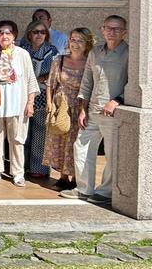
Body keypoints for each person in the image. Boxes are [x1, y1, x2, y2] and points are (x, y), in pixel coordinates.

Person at [60, 16, 128, 204]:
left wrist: (117, 101)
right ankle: (84, 189)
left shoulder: (130, 54)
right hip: (92, 110)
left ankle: (105, 192)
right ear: (102, 30)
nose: (111, 32)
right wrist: (83, 109)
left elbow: (133, 83)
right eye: (108, 28)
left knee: (112, 154)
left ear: (124, 32)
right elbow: (87, 81)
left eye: (116, 29)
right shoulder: (95, 52)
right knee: (81, 147)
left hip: (115, 113)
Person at [0, 20, 40, 187]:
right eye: (0, 33)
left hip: (17, 103)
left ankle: (17, 173)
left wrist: (30, 103)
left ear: (14, 35)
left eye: (8, 33)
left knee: (17, 139)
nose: (4, 36)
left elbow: (30, 80)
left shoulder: (23, 54)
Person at [44, 28, 93, 192]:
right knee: (60, 141)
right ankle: (63, 177)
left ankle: (75, 178)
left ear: (87, 43)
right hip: (61, 106)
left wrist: (84, 109)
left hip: (80, 107)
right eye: (73, 39)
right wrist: (49, 103)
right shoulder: (59, 60)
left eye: (80, 40)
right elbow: (50, 83)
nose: (75, 44)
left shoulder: (90, 62)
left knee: (75, 143)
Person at [19, 20, 58, 178]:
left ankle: (39, 169)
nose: (39, 35)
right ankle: (22, 166)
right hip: (23, 94)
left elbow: (56, 71)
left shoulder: (52, 50)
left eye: (42, 32)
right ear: (29, 34)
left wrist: (41, 78)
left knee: (40, 132)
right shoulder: (22, 49)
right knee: (23, 131)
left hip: (42, 94)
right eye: (36, 32)